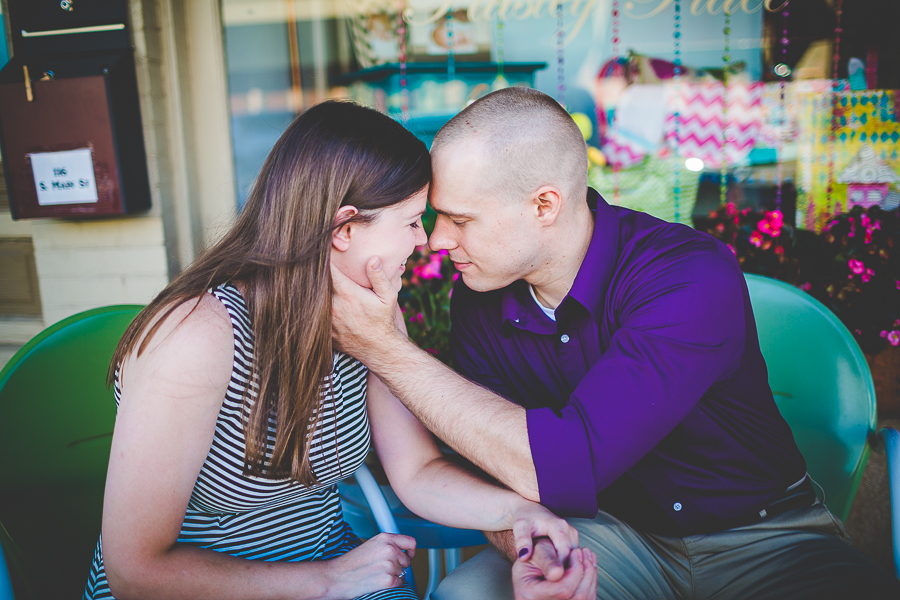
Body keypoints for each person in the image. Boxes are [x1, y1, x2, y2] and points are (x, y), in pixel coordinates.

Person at [330, 87, 900, 599]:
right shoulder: (479, 296)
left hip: (765, 537)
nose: (436, 239)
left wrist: (384, 348)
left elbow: (564, 461)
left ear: (544, 205)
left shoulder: (686, 275)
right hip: (603, 533)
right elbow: (496, 464)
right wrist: (533, 551)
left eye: (459, 219)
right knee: (468, 596)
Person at [83, 100, 595, 600]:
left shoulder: (373, 316)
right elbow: (136, 573)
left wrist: (519, 514)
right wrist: (325, 581)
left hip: (338, 571)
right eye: (413, 220)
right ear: (345, 228)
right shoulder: (197, 336)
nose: (426, 241)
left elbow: (415, 471)